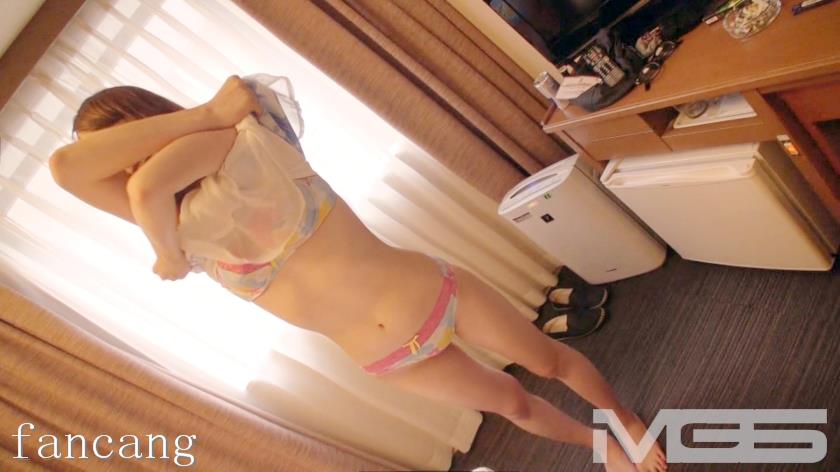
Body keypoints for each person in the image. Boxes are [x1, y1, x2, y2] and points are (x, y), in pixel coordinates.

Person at [49, 74, 666, 472]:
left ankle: (626, 419)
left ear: (144, 123)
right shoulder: (183, 228)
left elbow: (148, 183)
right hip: (389, 357)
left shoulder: (239, 142)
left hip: (433, 292)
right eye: (111, 161)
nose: (121, 170)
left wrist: (167, 247)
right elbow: (68, 170)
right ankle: (601, 445)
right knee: (512, 404)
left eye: (120, 145)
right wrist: (167, 239)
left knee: (548, 363)